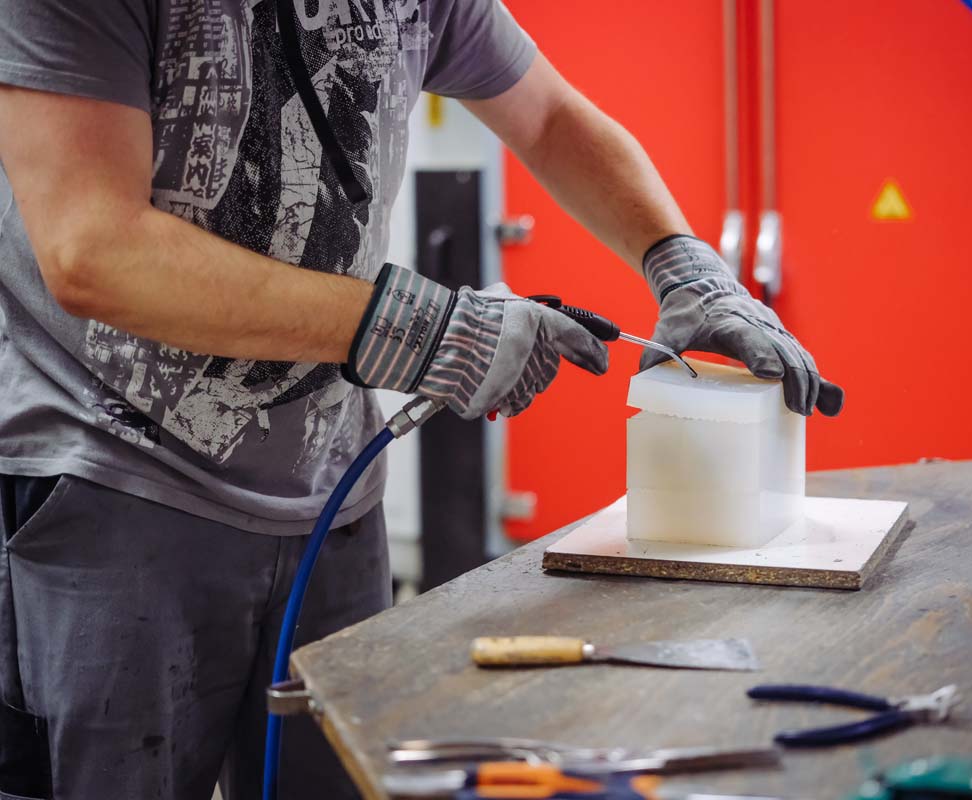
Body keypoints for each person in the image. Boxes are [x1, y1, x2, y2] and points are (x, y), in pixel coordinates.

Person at [0, 1, 831, 798]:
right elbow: (93, 249)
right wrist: (423, 328)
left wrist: (681, 261)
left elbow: (548, 118)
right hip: (114, 491)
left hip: (332, 498)